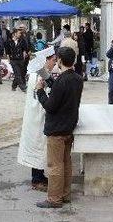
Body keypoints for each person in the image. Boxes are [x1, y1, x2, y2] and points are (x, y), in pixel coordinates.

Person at [34, 47, 84, 208]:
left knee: (55, 165)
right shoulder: (77, 78)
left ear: (60, 61)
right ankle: (65, 195)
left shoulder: (62, 81)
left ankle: (54, 199)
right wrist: (51, 83)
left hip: (56, 129)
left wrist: (40, 91)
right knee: (66, 163)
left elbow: (50, 106)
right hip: (69, 127)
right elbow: (62, 91)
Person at [17, 46, 57, 192]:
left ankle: (40, 176)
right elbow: (39, 97)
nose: (54, 63)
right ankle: (37, 179)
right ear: (46, 60)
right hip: (37, 117)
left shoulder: (40, 74)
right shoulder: (38, 76)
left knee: (39, 148)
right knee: (37, 148)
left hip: (38, 117)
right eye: (53, 60)